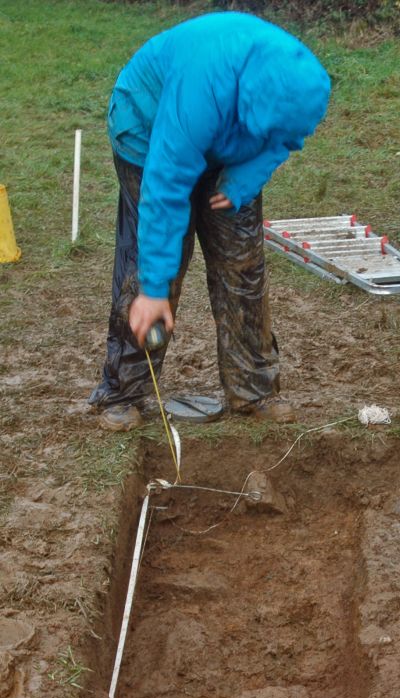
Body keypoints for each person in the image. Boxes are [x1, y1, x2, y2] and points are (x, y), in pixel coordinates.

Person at [89, 12, 331, 430]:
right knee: (153, 267)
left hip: (226, 144)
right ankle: (124, 391)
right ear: (248, 103)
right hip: (149, 134)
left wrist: (242, 181)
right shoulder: (201, 89)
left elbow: (283, 141)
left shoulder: (299, 86)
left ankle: (252, 390)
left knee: (242, 263)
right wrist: (154, 287)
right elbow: (165, 185)